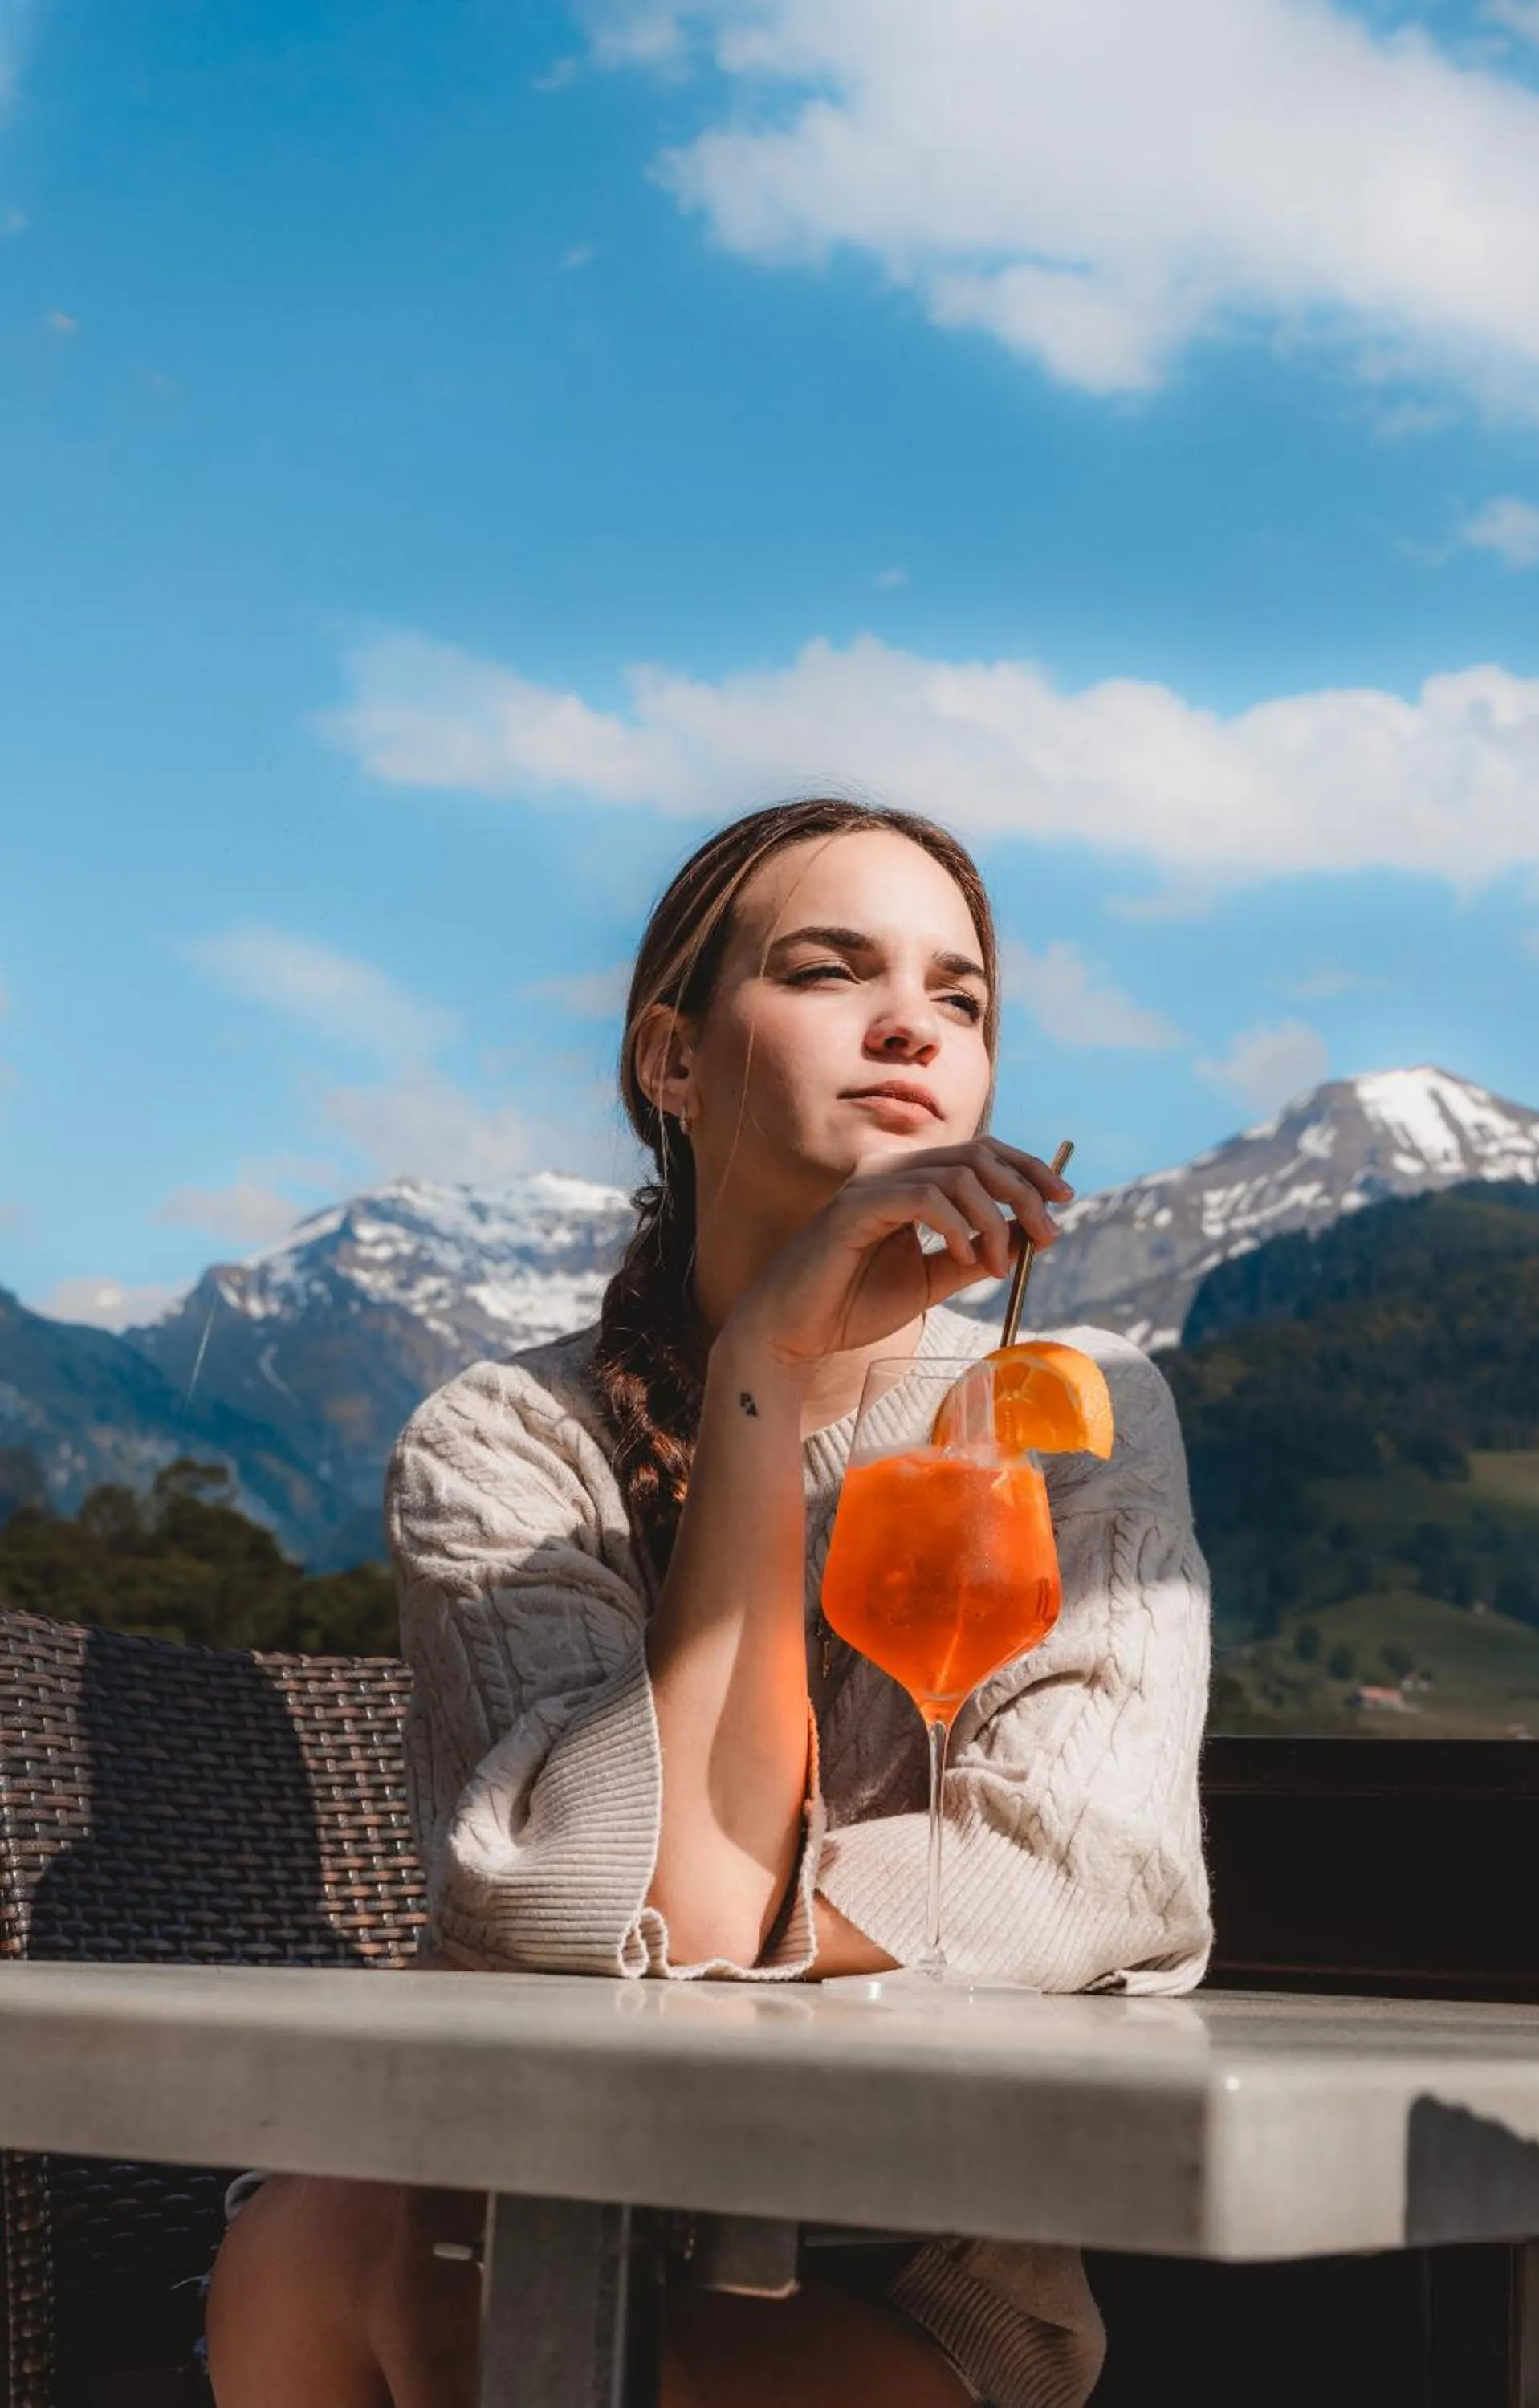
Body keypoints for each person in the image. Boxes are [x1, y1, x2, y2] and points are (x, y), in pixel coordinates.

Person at [205, 796, 1213, 2408]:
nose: (912, 1026)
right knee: (362, 2227)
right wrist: (761, 1382)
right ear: (670, 1065)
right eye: (831, 971)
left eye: (960, 1000)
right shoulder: (511, 1442)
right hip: (502, 2186)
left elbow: (1080, 1864)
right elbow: (578, 1901)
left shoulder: (1065, 1415)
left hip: (914, 2274)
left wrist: (730, 1926)